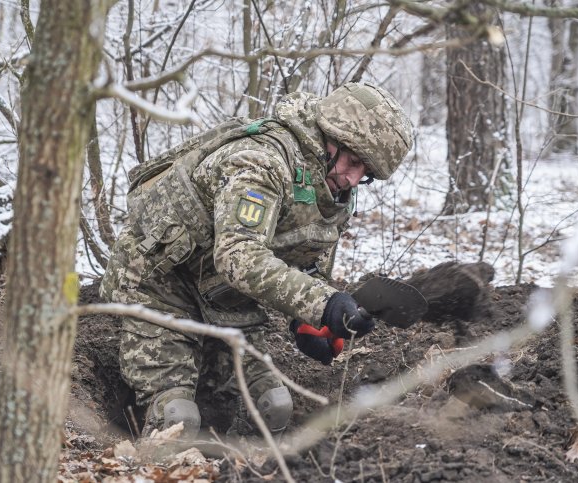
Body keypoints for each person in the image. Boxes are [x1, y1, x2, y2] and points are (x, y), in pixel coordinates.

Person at [100, 82, 413, 438]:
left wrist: (307, 322)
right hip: (160, 285)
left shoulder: (334, 187)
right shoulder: (260, 162)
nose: (353, 179)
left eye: (366, 173)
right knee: (178, 418)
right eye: (353, 162)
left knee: (273, 406)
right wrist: (321, 304)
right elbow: (239, 256)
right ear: (330, 137)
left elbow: (309, 259)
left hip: (227, 300)